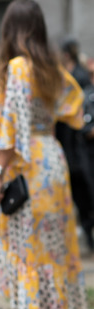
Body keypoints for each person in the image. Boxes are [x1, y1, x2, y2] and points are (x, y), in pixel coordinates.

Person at [0, 0, 87, 309]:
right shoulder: (52, 69)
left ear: (11, 30)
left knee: (29, 255)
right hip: (52, 162)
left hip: (27, 165)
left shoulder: (16, 67)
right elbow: (76, 112)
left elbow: (9, 133)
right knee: (47, 254)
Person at [56, 38, 94, 249]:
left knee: (85, 188)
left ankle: (88, 229)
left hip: (79, 144)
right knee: (78, 191)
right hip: (68, 143)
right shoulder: (65, 75)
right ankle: (86, 230)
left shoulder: (78, 77)